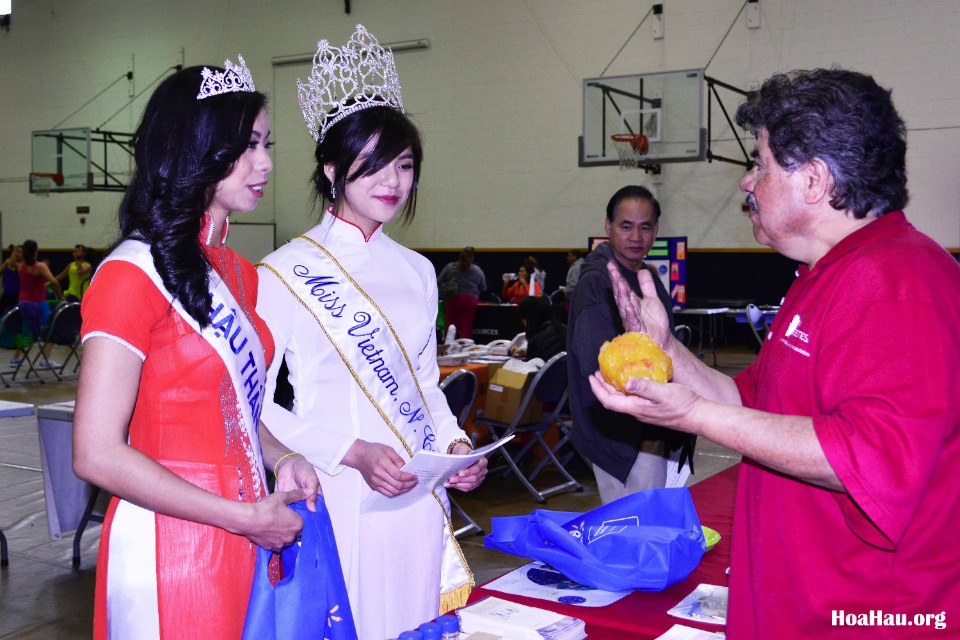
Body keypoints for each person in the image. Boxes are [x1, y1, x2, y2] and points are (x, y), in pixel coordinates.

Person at [590, 69, 960, 637]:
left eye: (760, 164)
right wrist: (666, 350)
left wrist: (690, 415)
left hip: (867, 610)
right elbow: (750, 401)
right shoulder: (824, 274)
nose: (746, 182)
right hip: (800, 599)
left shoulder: (897, 281)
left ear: (813, 180)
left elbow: (867, 458)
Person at [71, 59, 321, 640]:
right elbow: (96, 453)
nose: (266, 163)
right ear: (197, 150)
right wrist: (242, 517)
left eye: (266, 144)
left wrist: (281, 457)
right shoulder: (130, 275)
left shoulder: (239, 273)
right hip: (171, 545)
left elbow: (232, 410)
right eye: (247, 146)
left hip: (249, 529)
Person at [256, 25, 487, 640]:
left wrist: (456, 447)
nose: (392, 181)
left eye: (405, 164)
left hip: (413, 492)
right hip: (335, 489)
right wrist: (353, 452)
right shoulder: (282, 272)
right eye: (373, 164)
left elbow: (424, 384)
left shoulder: (416, 270)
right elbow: (252, 411)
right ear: (332, 168)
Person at [567, 186, 693, 504]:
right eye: (626, 226)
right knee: (633, 528)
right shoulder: (598, 281)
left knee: (651, 518)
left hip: (654, 422)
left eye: (645, 226)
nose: (636, 236)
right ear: (608, 226)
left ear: (656, 231)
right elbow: (594, 363)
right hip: (622, 433)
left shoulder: (645, 276)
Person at [13, 240, 64, 368]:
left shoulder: (21, 266)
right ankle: (45, 359)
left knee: (24, 330)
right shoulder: (40, 267)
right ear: (36, 251)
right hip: (38, 305)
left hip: (23, 303)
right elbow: (54, 282)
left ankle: (16, 358)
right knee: (51, 329)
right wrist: (60, 297)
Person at [437, 246, 487, 340]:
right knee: (466, 326)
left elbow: (438, 281)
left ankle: (449, 346)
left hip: (452, 298)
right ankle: (464, 348)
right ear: (472, 257)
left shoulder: (450, 267)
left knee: (451, 326)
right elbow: (483, 287)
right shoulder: (477, 270)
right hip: (469, 300)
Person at [513, 294, 566, 362]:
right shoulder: (562, 329)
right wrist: (526, 352)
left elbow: (532, 368)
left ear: (526, 319)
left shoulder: (535, 340)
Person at [0, 244, 22, 314]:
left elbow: (13, 264)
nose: (16, 254)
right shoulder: (7, 262)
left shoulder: (22, 265)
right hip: (6, 295)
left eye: (19, 252)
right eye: (15, 252)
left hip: (17, 296)